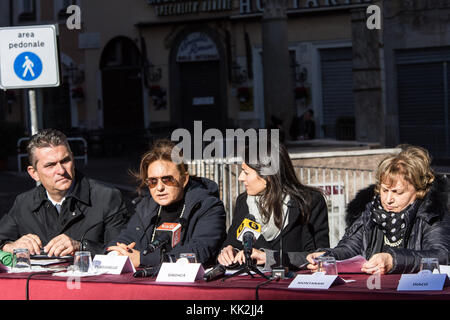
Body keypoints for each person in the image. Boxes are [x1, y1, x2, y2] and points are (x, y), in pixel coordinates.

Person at [306, 145, 450, 274]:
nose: (388, 199)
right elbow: (350, 248)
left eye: (397, 192)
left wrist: (394, 260)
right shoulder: (370, 213)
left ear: (418, 191)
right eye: (384, 190)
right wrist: (327, 257)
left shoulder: (431, 214)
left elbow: (442, 255)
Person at [0, 129, 128, 257]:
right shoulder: (24, 203)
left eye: (65, 161)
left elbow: (123, 251)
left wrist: (81, 247)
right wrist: (11, 246)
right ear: (34, 173)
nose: (61, 170)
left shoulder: (106, 198)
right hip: (39, 277)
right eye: (50, 165)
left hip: (90, 276)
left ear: (73, 158)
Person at [106, 139, 226, 268]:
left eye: (167, 180)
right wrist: (116, 252)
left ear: (184, 179)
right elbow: (126, 237)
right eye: (152, 181)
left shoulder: (208, 206)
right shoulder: (145, 207)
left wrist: (143, 259)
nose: (159, 188)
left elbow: (200, 250)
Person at [217, 143, 329, 271]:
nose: (240, 178)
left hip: (296, 285)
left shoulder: (309, 202)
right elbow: (232, 243)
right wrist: (229, 252)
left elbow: (321, 256)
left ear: (267, 176)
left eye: (246, 172)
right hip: (252, 285)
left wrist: (271, 258)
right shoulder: (243, 202)